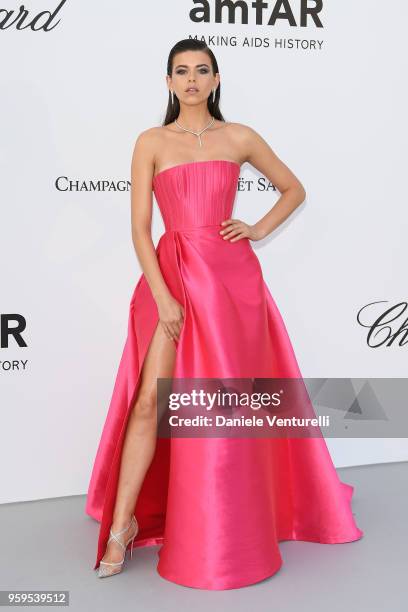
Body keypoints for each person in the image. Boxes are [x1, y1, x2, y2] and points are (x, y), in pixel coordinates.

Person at [86, 38, 363, 589]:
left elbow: (293, 188)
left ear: (215, 79)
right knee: (150, 402)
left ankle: (230, 527)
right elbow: (141, 230)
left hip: (230, 285)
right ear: (168, 82)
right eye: (181, 71)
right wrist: (164, 296)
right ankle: (122, 525)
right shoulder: (151, 142)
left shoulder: (239, 136)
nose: (191, 79)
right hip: (170, 280)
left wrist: (257, 228)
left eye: (201, 71)